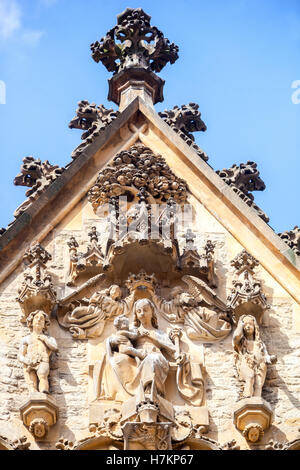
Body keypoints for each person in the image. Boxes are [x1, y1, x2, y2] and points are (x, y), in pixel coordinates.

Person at [233, 315, 276, 398]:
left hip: (260, 365)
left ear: (255, 326)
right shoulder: (241, 342)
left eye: (250, 324)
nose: (248, 326)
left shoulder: (260, 343)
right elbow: (236, 337)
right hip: (246, 362)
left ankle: (257, 401)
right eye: (245, 325)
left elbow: (265, 355)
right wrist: (240, 325)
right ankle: (247, 398)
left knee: (258, 385)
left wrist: (270, 359)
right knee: (250, 377)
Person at [18, 310, 58, 394]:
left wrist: (45, 340)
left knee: (43, 375)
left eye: (42, 319)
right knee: (32, 382)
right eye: (36, 318)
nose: (39, 320)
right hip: (30, 361)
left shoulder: (49, 338)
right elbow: (20, 355)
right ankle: (33, 392)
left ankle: (44, 391)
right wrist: (27, 361)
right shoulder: (26, 339)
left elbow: (55, 347)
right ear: (31, 322)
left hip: (43, 359)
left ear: (44, 324)